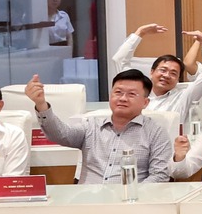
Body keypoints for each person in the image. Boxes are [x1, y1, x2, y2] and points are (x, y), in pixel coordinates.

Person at [25, 69, 172, 183]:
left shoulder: (156, 132)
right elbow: (60, 134)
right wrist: (41, 104)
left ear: (145, 102)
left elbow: (159, 176)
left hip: (129, 204)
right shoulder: (91, 125)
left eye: (131, 94)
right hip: (87, 202)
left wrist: (132, 197)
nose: (122, 98)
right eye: (118, 92)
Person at [111, 22, 202, 114]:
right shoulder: (137, 88)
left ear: (178, 79)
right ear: (152, 72)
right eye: (163, 70)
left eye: (173, 73)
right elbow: (119, 60)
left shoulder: (183, 96)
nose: (166, 75)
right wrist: (140, 32)